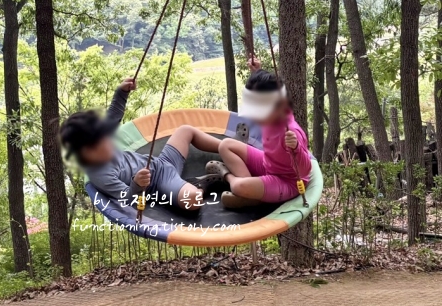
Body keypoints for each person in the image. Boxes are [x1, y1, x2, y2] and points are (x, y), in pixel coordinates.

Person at [60, 77, 221, 212]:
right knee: (193, 199)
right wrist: (137, 184)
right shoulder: (100, 175)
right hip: (160, 183)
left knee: (185, 130)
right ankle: (201, 185)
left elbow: (113, 116)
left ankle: (226, 147)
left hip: (163, 162)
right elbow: (129, 200)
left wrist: (122, 92)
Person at [208, 59, 312, 209]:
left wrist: (296, 147)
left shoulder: (289, 131)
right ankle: (252, 191)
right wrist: (256, 72)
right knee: (225, 145)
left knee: (237, 186)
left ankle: (230, 178)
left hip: (286, 181)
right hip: (267, 163)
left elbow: (305, 170)